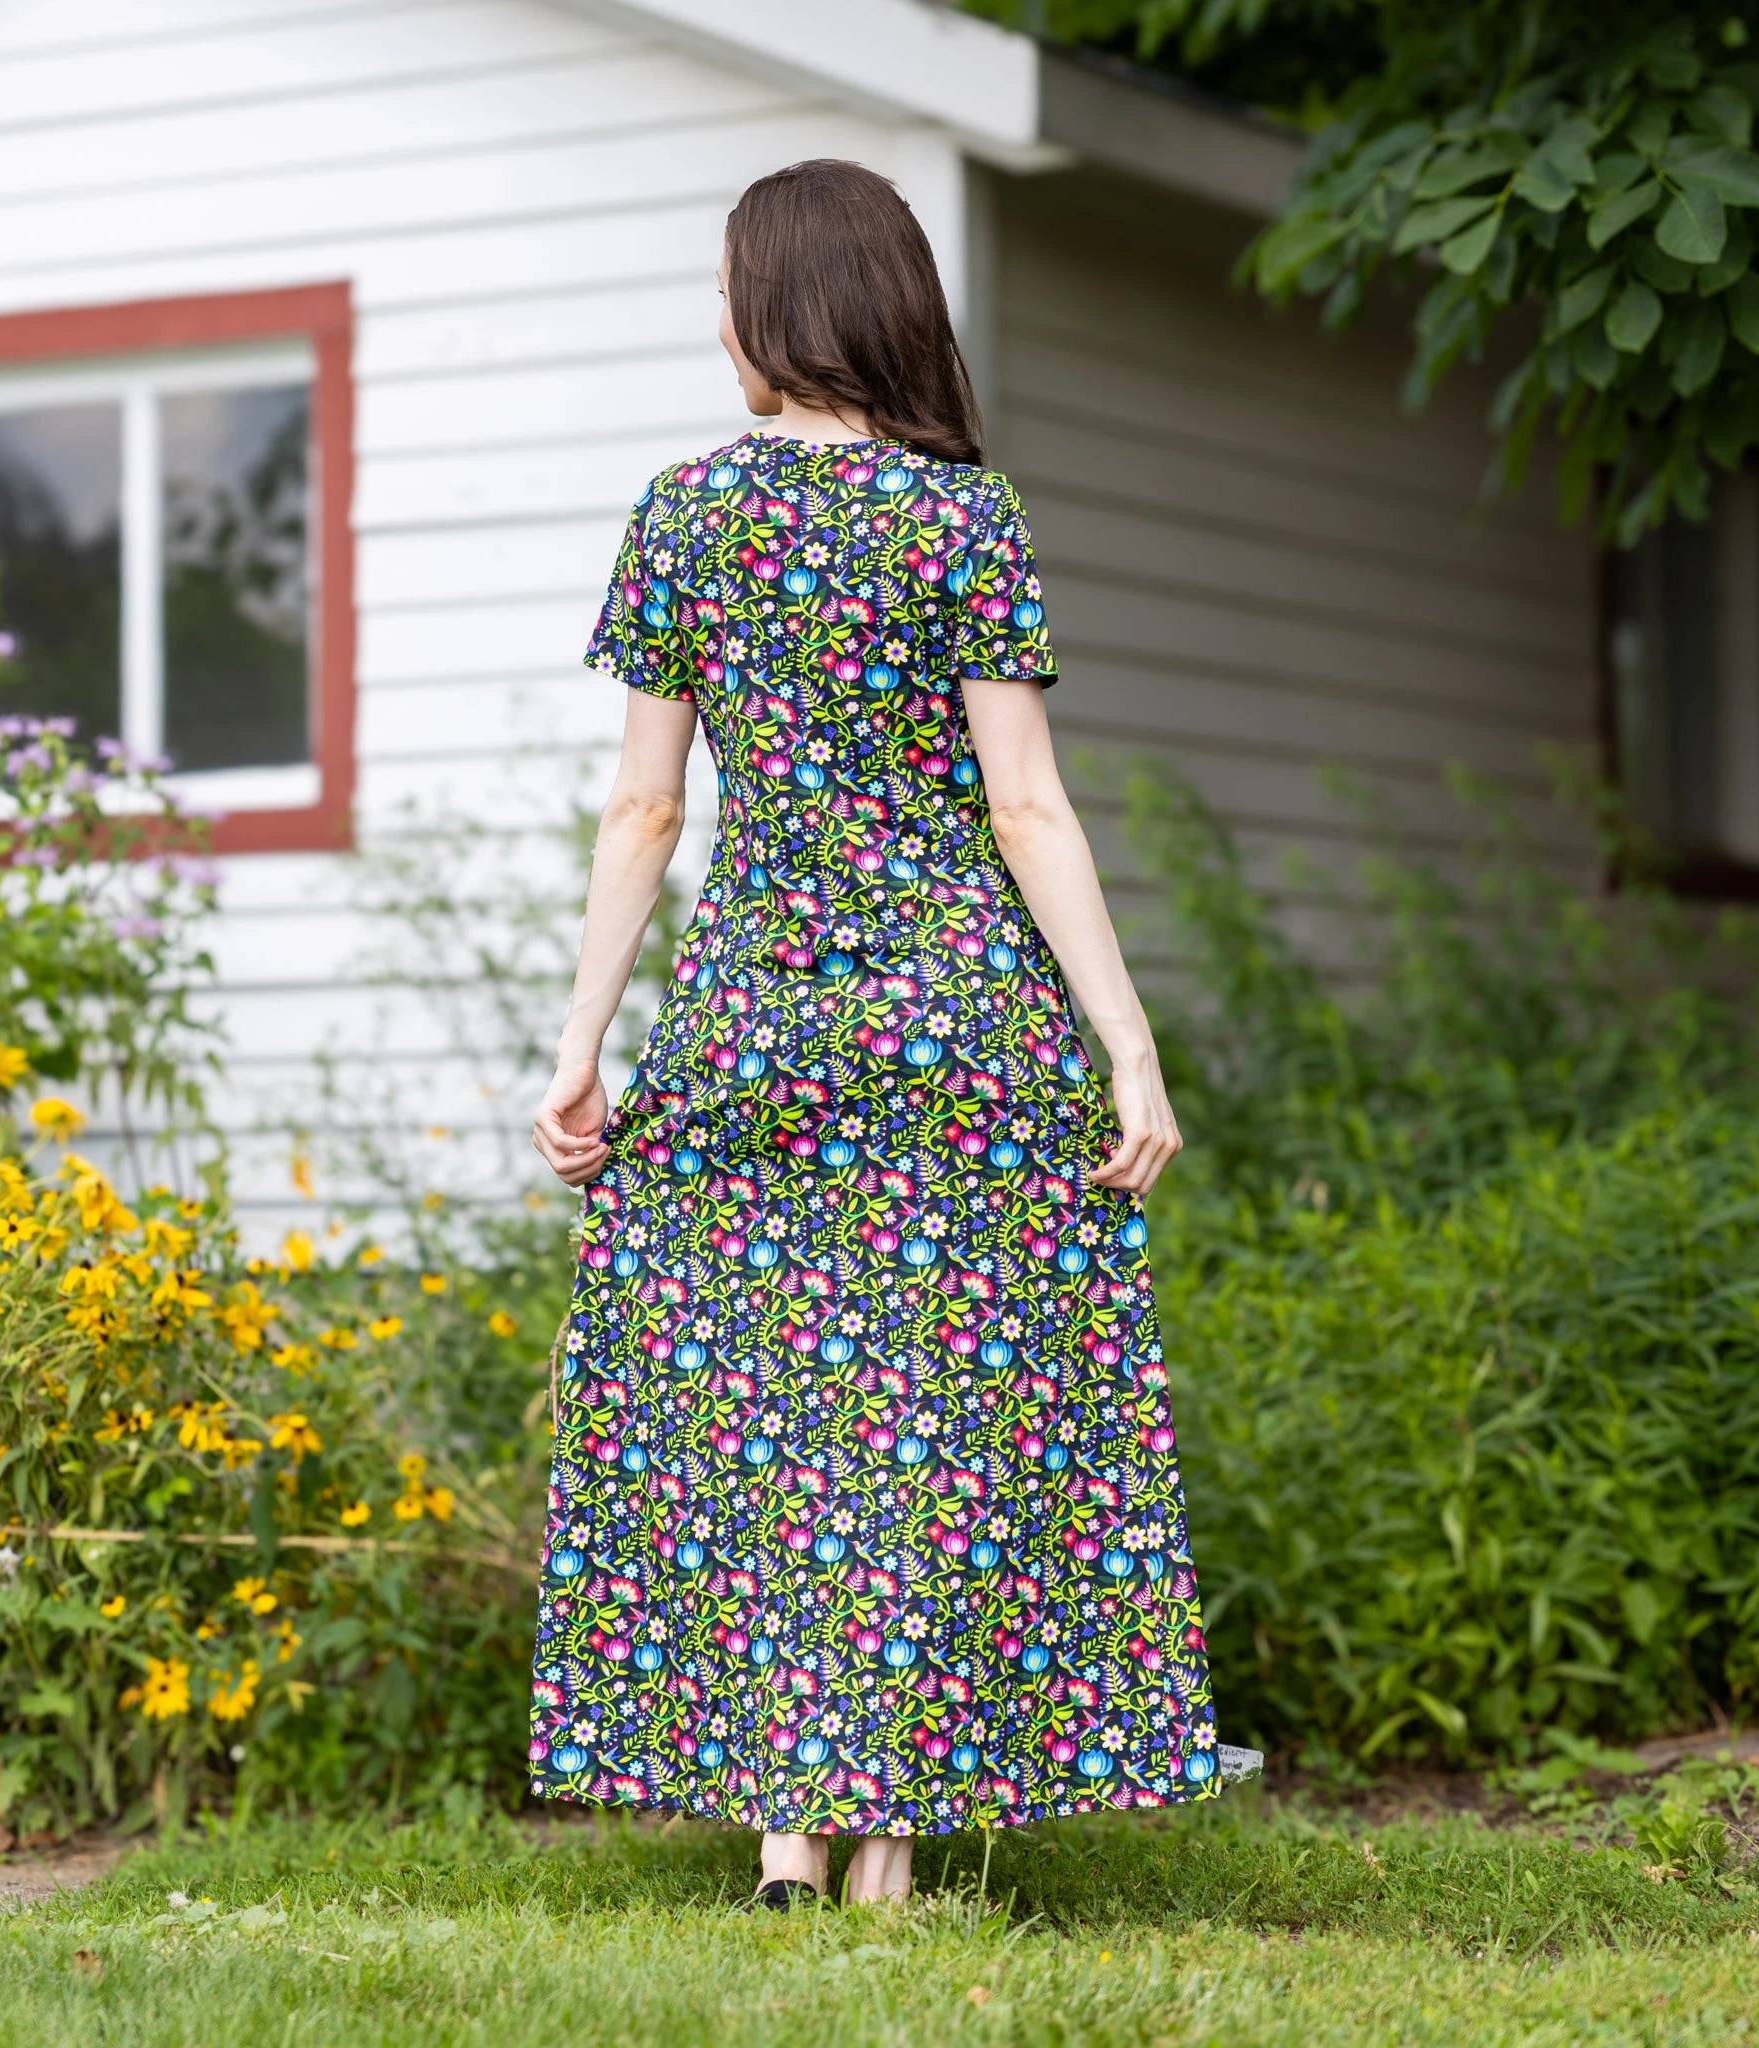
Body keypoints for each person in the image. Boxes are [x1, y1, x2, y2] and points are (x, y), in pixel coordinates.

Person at [528, 157, 1254, 1911]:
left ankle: (790, 1825)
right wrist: (1127, 1042)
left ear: (778, 307)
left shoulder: (687, 514)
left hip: (756, 1016)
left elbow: (644, 817)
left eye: (725, 288)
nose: (717, 320)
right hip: (958, 1024)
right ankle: (892, 1851)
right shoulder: (963, 515)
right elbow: (1030, 804)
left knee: (766, 1402)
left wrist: (579, 1043)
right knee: (931, 1410)